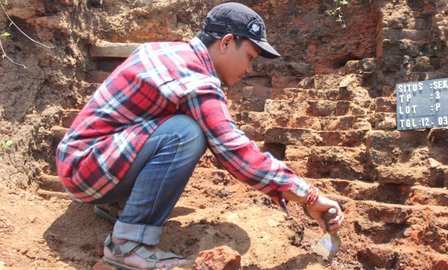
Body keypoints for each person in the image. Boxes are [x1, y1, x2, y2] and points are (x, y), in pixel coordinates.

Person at [56, 2, 344, 269]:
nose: (249, 69)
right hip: (87, 170)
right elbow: (233, 150)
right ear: (227, 42)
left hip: (83, 161)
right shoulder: (195, 78)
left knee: (176, 125)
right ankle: (128, 245)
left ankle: (117, 205)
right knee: (185, 133)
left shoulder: (165, 51)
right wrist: (309, 196)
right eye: (250, 57)